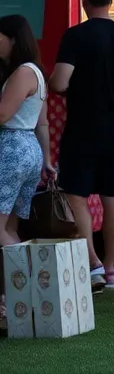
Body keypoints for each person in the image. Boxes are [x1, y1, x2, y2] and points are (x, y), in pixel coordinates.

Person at [48, 0, 114, 290]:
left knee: (76, 196)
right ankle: (111, 268)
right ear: (111, 0)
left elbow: (59, 82)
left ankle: (92, 263)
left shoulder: (75, 36)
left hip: (83, 126)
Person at [0, 15, 52, 259]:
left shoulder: (22, 73)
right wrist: (47, 159)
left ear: (13, 40)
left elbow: (2, 114)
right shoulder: (37, 72)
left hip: (11, 150)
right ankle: (18, 292)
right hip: (29, 150)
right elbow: (42, 122)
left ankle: (29, 278)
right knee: (10, 227)